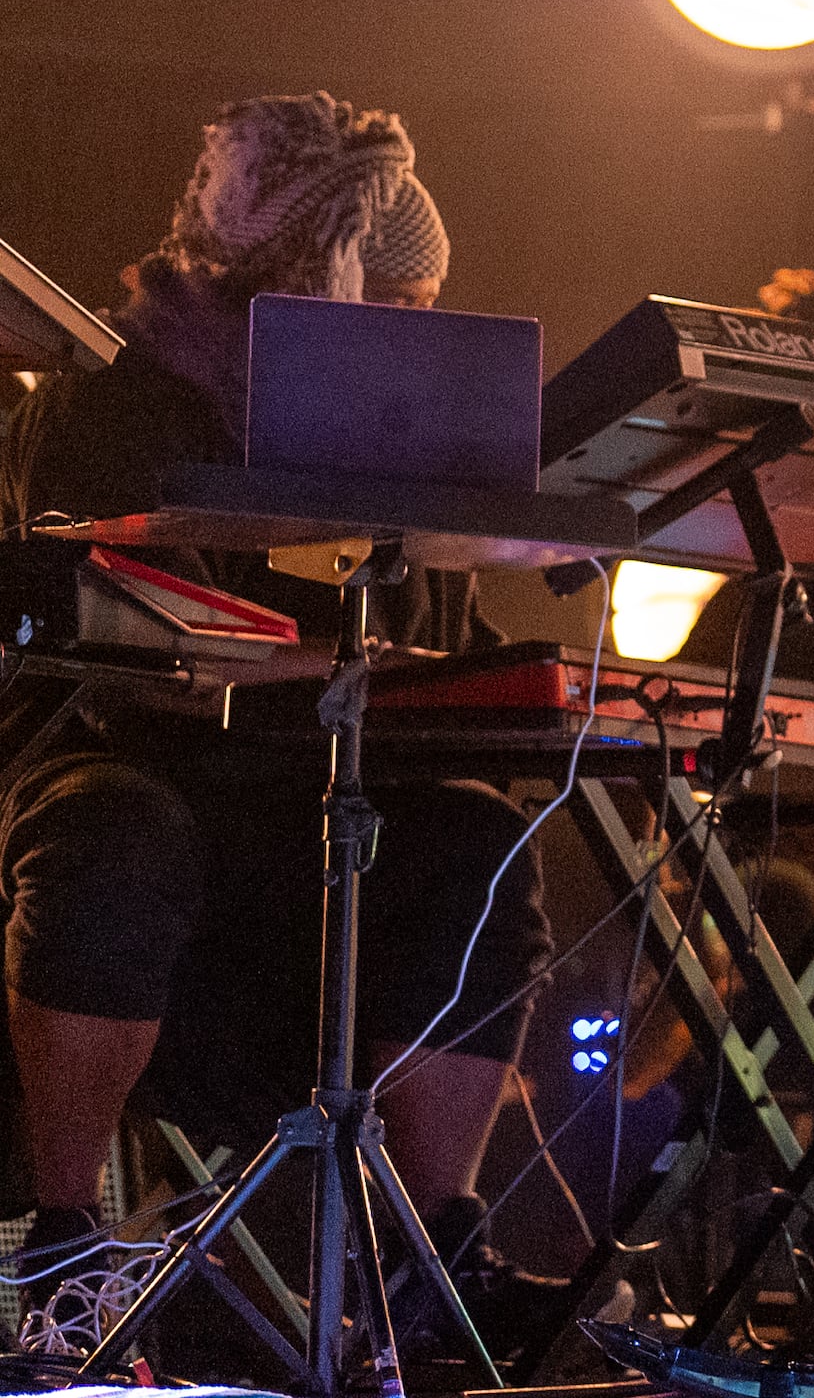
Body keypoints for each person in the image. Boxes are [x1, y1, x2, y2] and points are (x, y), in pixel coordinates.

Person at [0, 94, 551, 1314]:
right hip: (125, 773)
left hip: (310, 820)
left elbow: (446, 644)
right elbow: (132, 646)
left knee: (470, 835)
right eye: (392, 305)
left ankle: (432, 1252)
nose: (408, 331)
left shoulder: (395, 443)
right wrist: (349, 667)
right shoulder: (104, 413)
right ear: (320, 275)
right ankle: (58, 1238)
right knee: (114, 829)